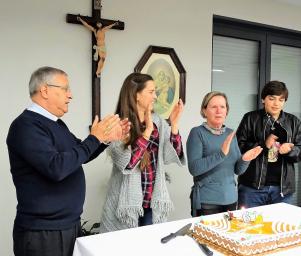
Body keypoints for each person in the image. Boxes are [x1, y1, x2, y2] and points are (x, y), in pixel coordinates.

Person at [6, 66, 130, 256]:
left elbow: (81, 155)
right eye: (65, 89)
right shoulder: (25, 126)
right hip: (43, 233)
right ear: (45, 90)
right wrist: (94, 138)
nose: (70, 95)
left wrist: (105, 138)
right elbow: (56, 167)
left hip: (68, 225)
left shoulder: (56, 124)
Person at [99, 73, 186, 232]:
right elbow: (127, 163)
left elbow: (172, 154)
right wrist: (147, 132)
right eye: (151, 92)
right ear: (136, 95)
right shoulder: (117, 124)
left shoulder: (158, 121)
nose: (155, 96)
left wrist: (174, 125)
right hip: (126, 205)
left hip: (152, 200)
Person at [187, 92, 262, 217]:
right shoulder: (197, 133)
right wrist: (221, 154)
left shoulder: (230, 133)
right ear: (204, 111)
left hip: (231, 199)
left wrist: (245, 159)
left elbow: (238, 170)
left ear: (226, 111)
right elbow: (194, 169)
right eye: (213, 107)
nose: (219, 111)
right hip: (207, 202)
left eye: (222, 107)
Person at [236, 81, 301, 208]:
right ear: (263, 99)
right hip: (252, 188)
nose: (276, 103)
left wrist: (290, 150)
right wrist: (264, 144)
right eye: (272, 98)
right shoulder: (250, 118)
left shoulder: (294, 122)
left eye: (281, 99)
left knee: (281, 227)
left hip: (283, 190)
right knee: (249, 227)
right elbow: (238, 148)